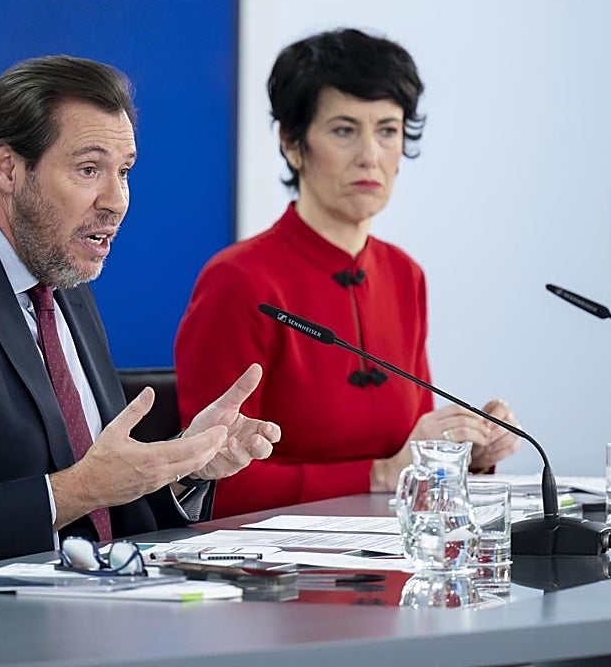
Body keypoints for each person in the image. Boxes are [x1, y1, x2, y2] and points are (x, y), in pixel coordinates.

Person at [0, 55, 281, 588]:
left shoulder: (60, 277)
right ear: (8, 167)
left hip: (92, 607)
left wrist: (182, 467)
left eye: (124, 171)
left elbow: (100, 500)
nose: (116, 201)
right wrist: (78, 490)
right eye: (89, 170)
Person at [174, 28, 519, 518]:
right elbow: (213, 487)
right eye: (344, 130)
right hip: (279, 561)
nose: (370, 155)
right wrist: (379, 475)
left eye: (388, 130)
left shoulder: (404, 274)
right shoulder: (239, 280)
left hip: (391, 553)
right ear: (292, 144)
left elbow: (407, 457)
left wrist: (467, 452)